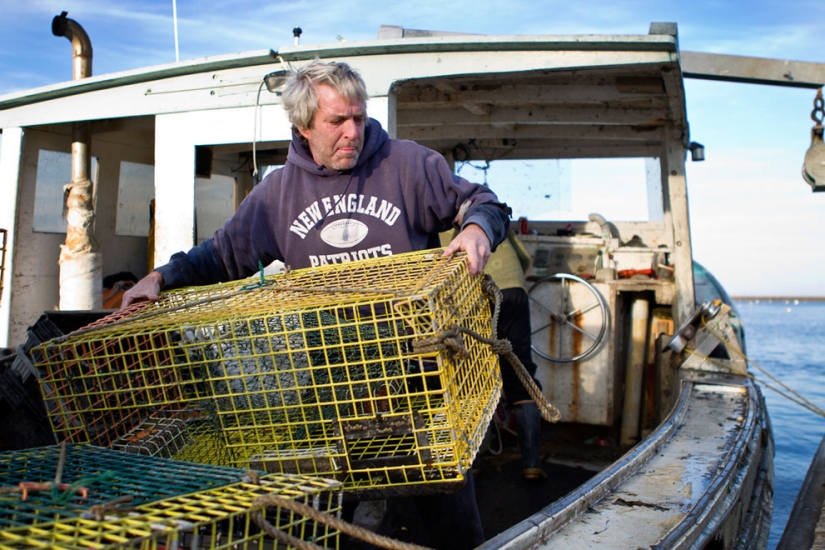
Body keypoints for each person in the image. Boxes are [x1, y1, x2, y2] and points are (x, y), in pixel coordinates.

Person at [122, 60, 510, 549]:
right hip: (334, 387)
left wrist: (476, 228)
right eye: (336, 121)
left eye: (358, 117)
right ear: (303, 126)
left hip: (422, 378)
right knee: (330, 518)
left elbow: (485, 203)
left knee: (447, 514)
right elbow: (219, 255)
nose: (352, 132)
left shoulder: (407, 164)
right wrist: (160, 278)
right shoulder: (276, 195)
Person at [442, 229, 546, 480]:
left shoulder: (435, 215)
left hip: (474, 291)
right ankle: (532, 463)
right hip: (512, 289)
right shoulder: (488, 215)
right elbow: (525, 258)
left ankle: (472, 464)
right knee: (520, 370)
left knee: (472, 376)